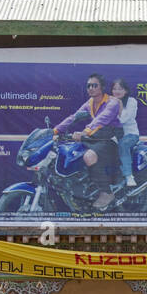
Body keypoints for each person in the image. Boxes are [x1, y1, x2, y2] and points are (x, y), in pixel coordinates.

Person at [54, 73, 123, 206]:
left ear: (101, 87)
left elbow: (101, 120)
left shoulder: (112, 103)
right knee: (73, 152)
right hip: (95, 138)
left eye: (94, 85)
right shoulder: (90, 103)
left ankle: (106, 192)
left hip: (111, 140)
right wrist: (55, 131)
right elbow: (73, 117)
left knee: (89, 156)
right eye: (88, 86)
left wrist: (84, 132)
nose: (91, 88)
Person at [111, 78, 141, 187]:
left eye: (120, 88)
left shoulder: (131, 101)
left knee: (123, 144)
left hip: (130, 135)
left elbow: (124, 118)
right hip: (114, 136)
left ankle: (129, 176)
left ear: (126, 90)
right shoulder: (109, 103)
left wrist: (117, 105)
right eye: (114, 89)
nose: (117, 91)